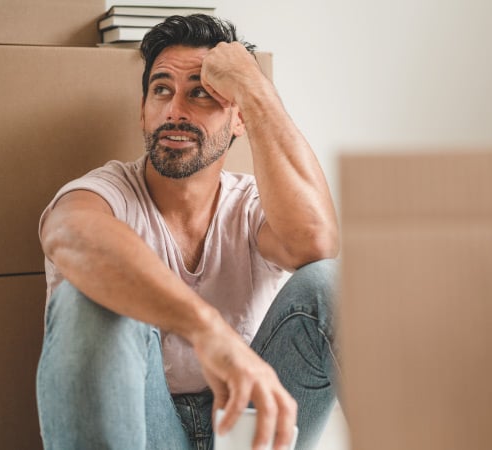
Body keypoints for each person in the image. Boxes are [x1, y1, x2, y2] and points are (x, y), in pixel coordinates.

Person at [36, 14, 340, 450]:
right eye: (161, 90)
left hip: (243, 431)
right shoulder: (107, 192)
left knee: (332, 283)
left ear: (238, 119)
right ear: (143, 111)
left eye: (200, 93)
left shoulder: (254, 205)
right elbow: (73, 236)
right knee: (88, 293)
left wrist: (253, 89)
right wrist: (207, 331)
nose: (175, 111)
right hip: (142, 432)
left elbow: (315, 245)